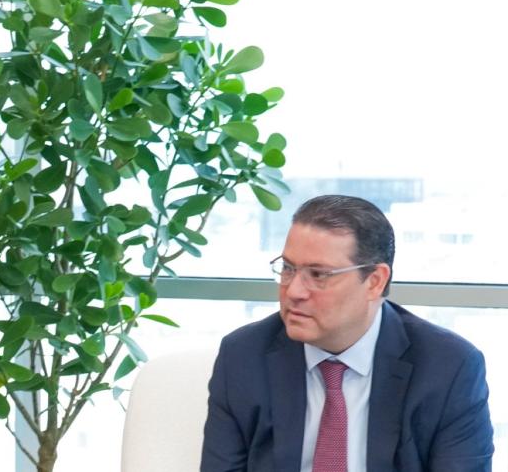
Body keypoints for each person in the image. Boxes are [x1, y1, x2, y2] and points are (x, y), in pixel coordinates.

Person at [200, 195, 492, 472]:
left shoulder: (448, 367)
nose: (294, 291)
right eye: (288, 268)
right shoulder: (243, 355)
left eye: (318, 274)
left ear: (375, 281)